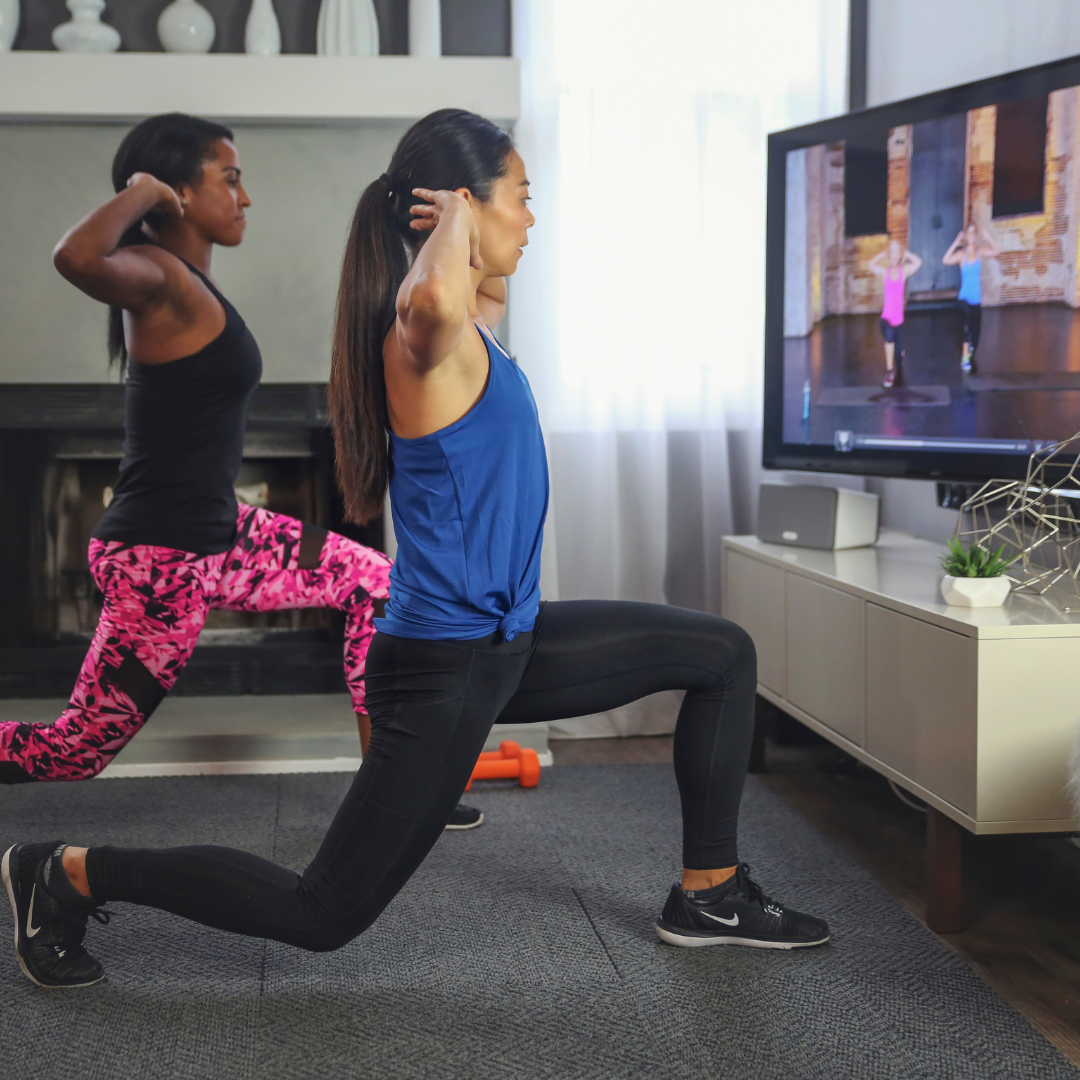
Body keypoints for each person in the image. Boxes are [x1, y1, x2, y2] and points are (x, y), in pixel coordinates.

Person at [3, 109, 829, 990]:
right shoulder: (420, 338)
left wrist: (466, 224)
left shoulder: (472, 323)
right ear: (468, 206)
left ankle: (708, 893)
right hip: (442, 667)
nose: (533, 217)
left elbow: (471, 288)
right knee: (318, 915)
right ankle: (63, 871)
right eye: (522, 197)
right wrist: (461, 215)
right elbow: (429, 294)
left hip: (507, 645)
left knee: (720, 655)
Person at [0, 112, 482, 830]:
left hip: (220, 535)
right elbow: (74, 255)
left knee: (374, 581)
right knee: (76, 750)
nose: (245, 196)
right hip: (159, 562)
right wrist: (142, 190)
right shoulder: (161, 278)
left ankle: (392, 794)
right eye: (229, 178)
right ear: (181, 194)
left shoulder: (183, 280)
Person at [943, 222, 1000, 374]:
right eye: (969, 232)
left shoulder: (980, 251)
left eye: (974, 232)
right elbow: (946, 259)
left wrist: (988, 237)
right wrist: (956, 242)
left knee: (975, 334)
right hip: (964, 297)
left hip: (976, 298)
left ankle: (969, 352)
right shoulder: (961, 254)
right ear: (966, 236)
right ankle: (964, 358)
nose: (972, 235)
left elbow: (996, 251)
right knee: (966, 328)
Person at [868, 240, 922, 389]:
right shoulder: (885, 272)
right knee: (889, 337)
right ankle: (889, 372)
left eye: (896, 252)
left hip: (899, 320)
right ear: (889, 254)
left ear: (899, 256)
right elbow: (871, 265)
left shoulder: (903, 272)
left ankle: (898, 357)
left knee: (898, 355)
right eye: (891, 252)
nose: (893, 255)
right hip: (886, 319)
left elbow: (918, 262)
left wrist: (906, 253)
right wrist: (881, 254)